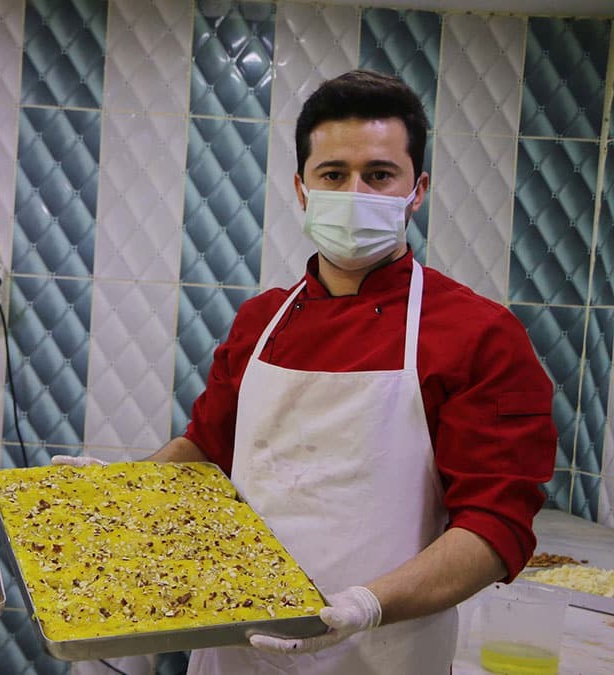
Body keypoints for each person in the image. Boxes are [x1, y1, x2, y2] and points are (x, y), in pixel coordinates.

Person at [56, 70, 555, 674]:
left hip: (382, 652)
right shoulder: (260, 319)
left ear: (415, 189)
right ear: (301, 188)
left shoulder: (479, 335)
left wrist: (368, 605)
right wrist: (116, 496)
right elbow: (205, 452)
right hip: (233, 648)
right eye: (333, 174)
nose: (354, 192)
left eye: (378, 174)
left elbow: (495, 525)